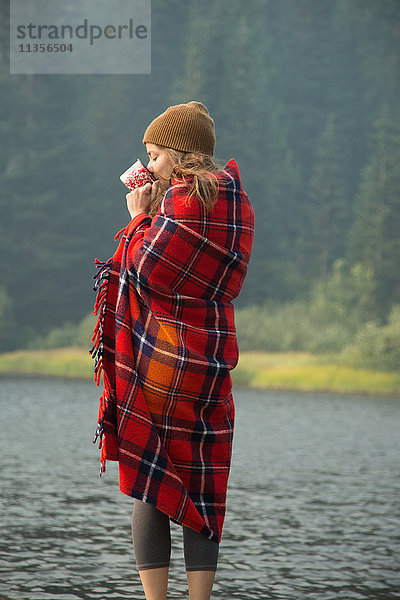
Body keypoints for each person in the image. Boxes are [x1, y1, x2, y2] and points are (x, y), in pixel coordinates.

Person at [90, 101, 255, 600]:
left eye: (156, 155)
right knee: (203, 481)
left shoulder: (178, 205)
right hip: (212, 365)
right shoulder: (237, 205)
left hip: (163, 364)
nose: (150, 165)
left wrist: (139, 218)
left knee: (150, 477)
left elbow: (145, 268)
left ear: (182, 156)